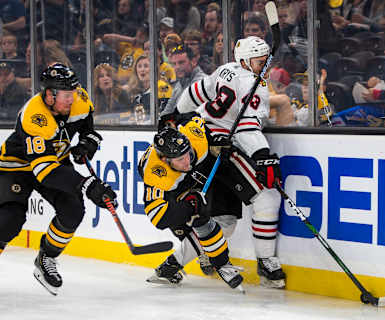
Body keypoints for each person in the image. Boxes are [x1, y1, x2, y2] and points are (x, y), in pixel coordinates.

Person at [174, 36, 287, 288]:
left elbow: (196, 91)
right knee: (268, 198)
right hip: (222, 148)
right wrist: (262, 156)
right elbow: (246, 128)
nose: (265, 66)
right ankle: (266, 263)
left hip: (200, 142)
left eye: (266, 61)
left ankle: (174, 263)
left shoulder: (225, 69)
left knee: (223, 219)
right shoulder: (253, 84)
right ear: (246, 61)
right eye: (260, 62)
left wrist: (177, 115)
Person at [0, 63, 117, 295]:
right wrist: (87, 184)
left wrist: (87, 144)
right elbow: (45, 172)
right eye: (66, 95)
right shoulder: (34, 116)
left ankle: (46, 258)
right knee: (9, 220)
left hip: (54, 160)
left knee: (73, 210)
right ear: (49, 95)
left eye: (73, 93)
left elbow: (88, 128)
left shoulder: (79, 99)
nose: (72, 99)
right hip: (18, 166)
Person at [139, 114, 244, 291]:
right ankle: (213, 260)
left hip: (201, 174)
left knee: (226, 223)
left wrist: (215, 141)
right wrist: (190, 205)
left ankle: (171, 267)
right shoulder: (156, 174)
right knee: (197, 218)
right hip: (175, 191)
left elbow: (193, 117)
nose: (187, 161)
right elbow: (158, 217)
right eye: (180, 159)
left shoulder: (196, 139)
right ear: (165, 160)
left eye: (187, 154)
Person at [161, 45, 205, 115]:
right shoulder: (180, 82)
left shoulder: (201, 82)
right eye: (174, 64)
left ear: (193, 61)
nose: (177, 67)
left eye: (181, 62)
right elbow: (167, 111)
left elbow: (183, 113)